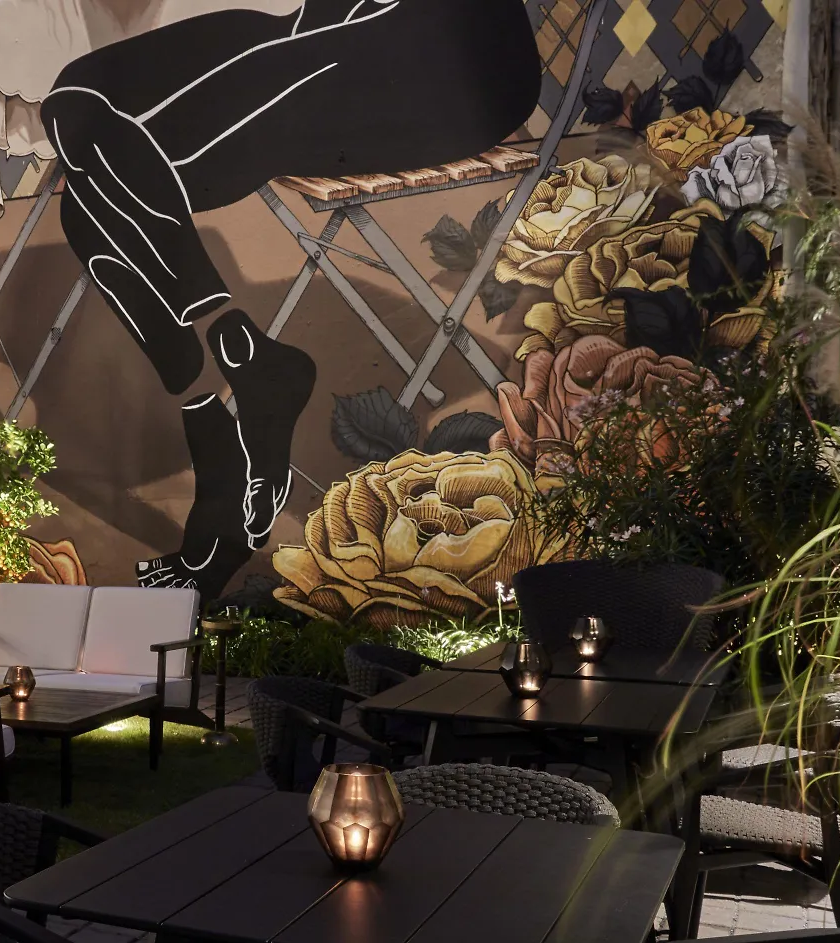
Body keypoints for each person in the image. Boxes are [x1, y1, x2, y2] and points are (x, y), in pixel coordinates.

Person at [39, 0, 539, 596]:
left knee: (100, 157)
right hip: (328, 21)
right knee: (76, 101)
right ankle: (244, 373)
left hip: (444, 51)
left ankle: (225, 443)